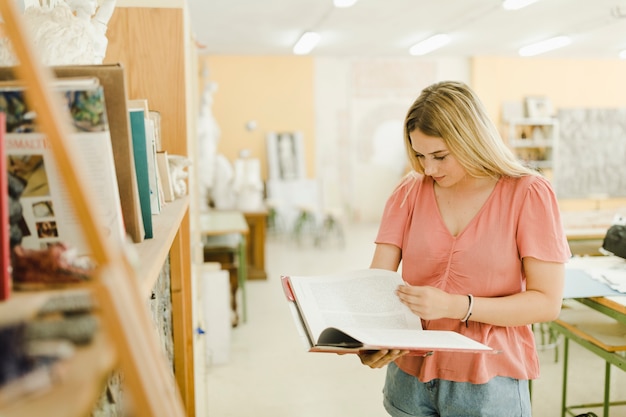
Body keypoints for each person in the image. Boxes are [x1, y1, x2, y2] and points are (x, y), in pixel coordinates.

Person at [359, 81, 571, 417]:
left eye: (440, 156)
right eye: (419, 155)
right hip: (409, 378)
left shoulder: (528, 193)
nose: (429, 169)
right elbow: (378, 281)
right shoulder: (409, 191)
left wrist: (454, 305)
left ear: (472, 139)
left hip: (489, 380)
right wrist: (368, 340)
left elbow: (547, 303)